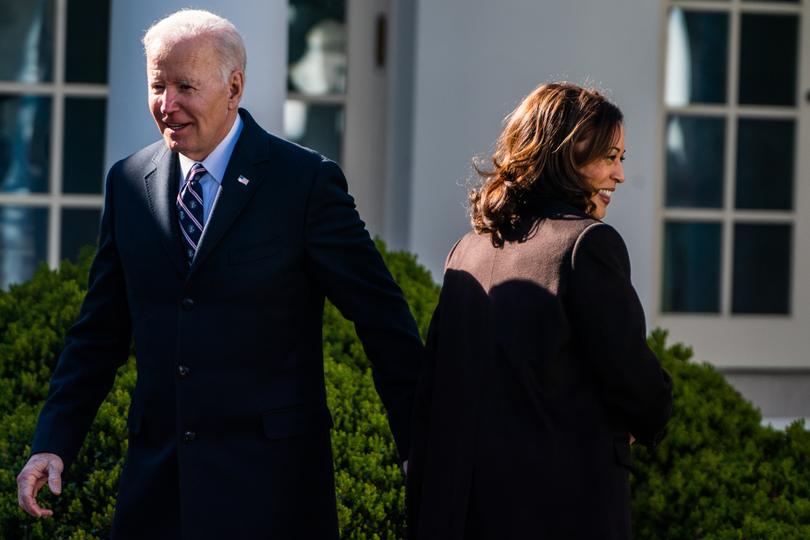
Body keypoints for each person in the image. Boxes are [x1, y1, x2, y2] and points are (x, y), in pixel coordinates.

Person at [16, 9, 422, 539]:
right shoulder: (129, 182)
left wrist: (421, 446)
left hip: (272, 492)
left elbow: (382, 319)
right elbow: (99, 332)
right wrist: (53, 441)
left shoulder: (304, 184)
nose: (167, 105)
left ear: (234, 88)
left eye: (186, 86)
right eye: (158, 85)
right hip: (158, 494)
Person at [407, 82, 673, 540]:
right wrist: (642, 418)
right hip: (558, 509)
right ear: (567, 155)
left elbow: (434, 391)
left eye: (621, 159)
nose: (620, 176)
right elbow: (637, 383)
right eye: (609, 157)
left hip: (461, 514)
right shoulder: (587, 245)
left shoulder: (467, 250)